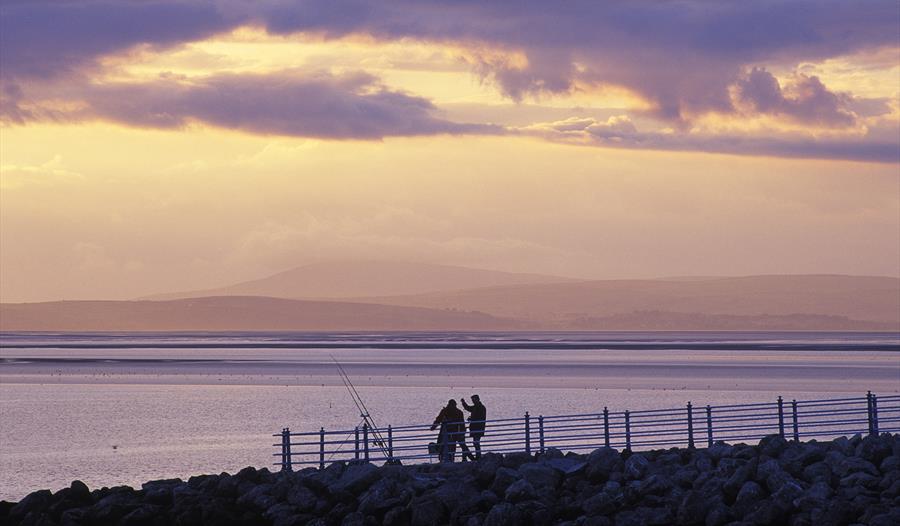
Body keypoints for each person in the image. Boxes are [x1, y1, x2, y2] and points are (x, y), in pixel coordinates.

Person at [461, 394, 486, 459]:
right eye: (472, 400)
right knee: (475, 442)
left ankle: (478, 456)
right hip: (476, 427)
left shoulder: (481, 407)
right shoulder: (477, 407)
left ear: (477, 399)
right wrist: (463, 403)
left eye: (473, 400)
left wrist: (471, 419)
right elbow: (468, 408)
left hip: (478, 427)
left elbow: (479, 417)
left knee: (476, 442)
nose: (473, 401)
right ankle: (478, 456)